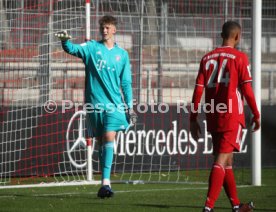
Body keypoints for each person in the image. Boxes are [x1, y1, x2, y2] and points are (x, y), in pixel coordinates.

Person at [56, 15, 137, 198]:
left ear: (114, 30)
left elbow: (126, 84)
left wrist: (129, 107)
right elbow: (73, 49)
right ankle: (104, 184)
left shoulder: (122, 55)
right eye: (102, 27)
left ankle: (106, 183)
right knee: (101, 141)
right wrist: (64, 41)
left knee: (109, 135)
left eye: (107, 27)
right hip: (94, 105)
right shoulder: (92, 47)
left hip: (115, 105)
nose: (104, 30)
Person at [190, 21, 260, 212]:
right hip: (232, 115)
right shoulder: (240, 57)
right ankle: (208, 207)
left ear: (221, 34)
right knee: (221, 160)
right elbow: (246, 89)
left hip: (213, 113)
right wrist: (256, 113)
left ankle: (236, 206)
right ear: (238, 37)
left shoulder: (207, 58)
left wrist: (192, 118)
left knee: (227, 161)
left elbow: (198, 90)